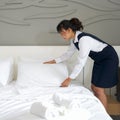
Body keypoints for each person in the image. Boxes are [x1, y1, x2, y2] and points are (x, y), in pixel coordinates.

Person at [44, 18, 119, 110]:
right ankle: (98, 110)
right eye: (60, 33)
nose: (62, 35)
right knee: (94, 87)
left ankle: (103, 115)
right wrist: (54, 61)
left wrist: (69, 79)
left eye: (62, 33)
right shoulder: (74, 40)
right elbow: (68, 54)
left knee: (99, 89)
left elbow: (81, 62)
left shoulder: (84, 40)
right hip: (100, 60)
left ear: (69, 30)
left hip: (109, 59)